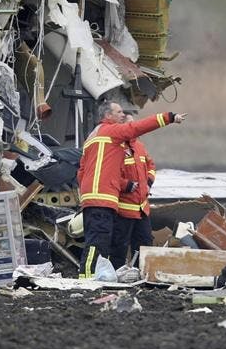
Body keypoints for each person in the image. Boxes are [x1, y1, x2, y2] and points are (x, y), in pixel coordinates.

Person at [77, 102, 186, 278]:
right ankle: (87, 277)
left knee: (101, 241)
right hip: (104, 198)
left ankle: (95, 276)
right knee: (99, 242)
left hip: (100, 198)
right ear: (108, 115)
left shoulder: (93, 137)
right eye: (119, 112)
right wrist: (168, 117)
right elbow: (137, 127)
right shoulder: (111, 131)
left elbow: (82, 172)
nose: (122, 115)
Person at [109, 114, 155, 269]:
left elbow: (151, 166)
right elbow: (110, 175)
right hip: (124, 210)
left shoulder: (139, 147)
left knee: (145, 243)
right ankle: (116, 274)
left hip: (142, 209)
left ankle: (140, 274)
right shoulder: (116, 148)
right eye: (131, 126)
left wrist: (148, 182)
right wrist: (126, 185)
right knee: (119, 246)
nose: (135, 129)